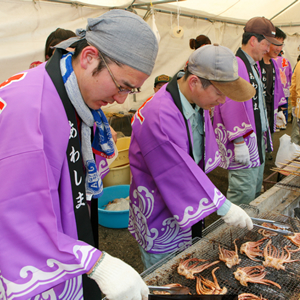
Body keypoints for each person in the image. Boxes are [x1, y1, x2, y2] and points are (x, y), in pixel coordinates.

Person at [0, 9, 158, 300]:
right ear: (88, 57)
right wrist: (94, 262)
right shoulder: (29, 108)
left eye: (131, 90)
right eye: (122, 85)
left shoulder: (70, 92)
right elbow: (17, 214)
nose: (121, 99)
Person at [130, 44, 255, 270]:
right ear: (194, 82)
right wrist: (222, 205)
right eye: (219, 93)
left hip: (186, 200)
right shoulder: (158, 114)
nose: (222, 101)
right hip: (160, 209)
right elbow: (175, 169)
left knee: (190, 263)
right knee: (166, 272)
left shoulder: (194, 100)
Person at [213, 17, 278, 206]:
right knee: (242, 193)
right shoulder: (237, 63)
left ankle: (248, 233)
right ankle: (232, 233)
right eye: (266, 44)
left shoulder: (252, 64)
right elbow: (230, 103)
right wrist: (239, 141)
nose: (268, 49)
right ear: (253, 41)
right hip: (244, 143)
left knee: (254, 191)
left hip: (256, 141)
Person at [258, 26, 286, 160]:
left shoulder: (274, 64)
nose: (278, 49)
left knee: (265, 150)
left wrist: (280, 108)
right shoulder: (256, 64)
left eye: (281, 45)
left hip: (270, 111)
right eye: (276, 44)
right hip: (258, 114)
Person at [274, 30, 293, 125]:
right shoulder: (286, 60)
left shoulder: (273, 60)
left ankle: (277, 123)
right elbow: (291, 75)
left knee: (277, 106)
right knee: (284, 105)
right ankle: (283, 123)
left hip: (276, 88)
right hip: (285, 88)